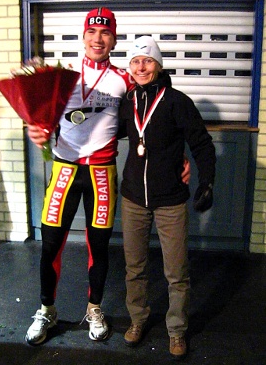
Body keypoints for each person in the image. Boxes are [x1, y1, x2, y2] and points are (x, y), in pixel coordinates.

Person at [25, 7, 135, 345]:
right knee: (51, 244)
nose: (98, 39)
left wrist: (175, 156)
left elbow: (152, 113)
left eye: (105, 33)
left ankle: (95, 308)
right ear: (84, 36)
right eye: (92, 32)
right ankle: (47, 309)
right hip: (65, 170)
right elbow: (42, 117)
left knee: (98, 247)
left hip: (102, 173)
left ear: (113, 39)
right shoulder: (63, 74)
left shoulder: (125, 78)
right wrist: (37, 129)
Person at [118, 36, 216, 360]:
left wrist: (206, 182)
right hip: (133, 197)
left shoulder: (176, 102)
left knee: (176, 272)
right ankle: (137, 320)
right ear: (129, 68)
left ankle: (176, 330)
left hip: (170, 199)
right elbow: (102, 131)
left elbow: (201, 143)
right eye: (135, 62)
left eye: (147, 61)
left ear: (158, 66)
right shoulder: (127, 102)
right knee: (135, 267)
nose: (141, 67)